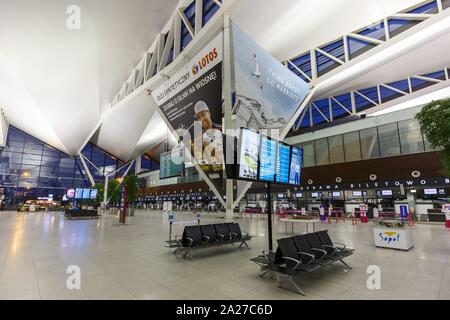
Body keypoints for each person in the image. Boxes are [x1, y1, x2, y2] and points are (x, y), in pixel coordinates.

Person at [192, 101, 223, 172]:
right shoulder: (198, 139)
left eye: (203, 115)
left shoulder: (222, 130)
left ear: (209, 113)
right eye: (199, 118)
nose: (202, 119)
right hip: (210, 177)